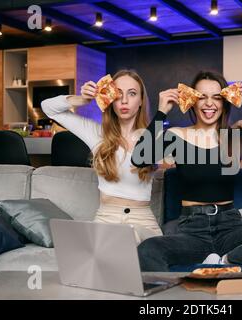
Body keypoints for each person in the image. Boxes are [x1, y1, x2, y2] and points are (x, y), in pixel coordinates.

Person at [131, 70, 242, 271]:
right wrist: (161, 111)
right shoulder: (176, 136)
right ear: (192, 101)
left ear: (225, 102)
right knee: (148, 250)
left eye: (216, 97)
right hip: (191, 228)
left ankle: (223, 261)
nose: (209, 104)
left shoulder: (235, 137)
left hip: (230, 226)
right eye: (202, 97)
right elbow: (139, 158)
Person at [41, 70, 162, 243]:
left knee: (130, 244)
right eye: (118, 94)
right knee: (82, 254)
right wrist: (82, 100)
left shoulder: (154, 137)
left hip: (143, 222)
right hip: (107, 218)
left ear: (141, 100)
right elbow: (48, 108)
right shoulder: (96, 134)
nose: (124, 100)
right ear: (110, 99)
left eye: (132, 93)